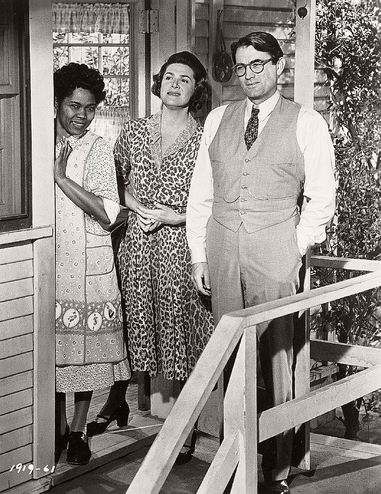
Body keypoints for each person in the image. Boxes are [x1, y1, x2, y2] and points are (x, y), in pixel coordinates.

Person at [186, 32, 336, 493]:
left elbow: (322, 197)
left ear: (278, 67)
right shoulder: (217, 119)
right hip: (222, 248)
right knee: (231, 358)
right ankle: (235, 459)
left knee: (277, 357)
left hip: (275, 249)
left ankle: (278, 467)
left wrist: (294, 245)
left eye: (258, 65)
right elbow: (201, 192)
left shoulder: (307, 122)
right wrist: (199, 254)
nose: (249, 75)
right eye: (242, 67)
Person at [87, 51, 213, 463]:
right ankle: (117, 400)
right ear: (159, 83)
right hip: (137, 245)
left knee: (181, 333)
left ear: (196, 89)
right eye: (169, 77)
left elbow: (212, 197)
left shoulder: (204, 138)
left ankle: (186, 428)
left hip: (180, 247)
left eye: (185, 79)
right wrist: (137, 205)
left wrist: (175, 216)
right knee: (133, 324)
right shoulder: (134, 130)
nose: (175, 84)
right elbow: (113, 179)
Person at [54, 62, 131, 466]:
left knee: (87, 355)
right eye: (74, 106)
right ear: (57, 103)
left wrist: (62, 178)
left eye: (89, 108)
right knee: (54, 352)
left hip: (89, 263)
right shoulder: (38, 140)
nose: (82, 116)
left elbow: (107, 213)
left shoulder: (99, 148)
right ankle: (56, 428)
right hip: (52, 263)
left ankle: (79, 429)